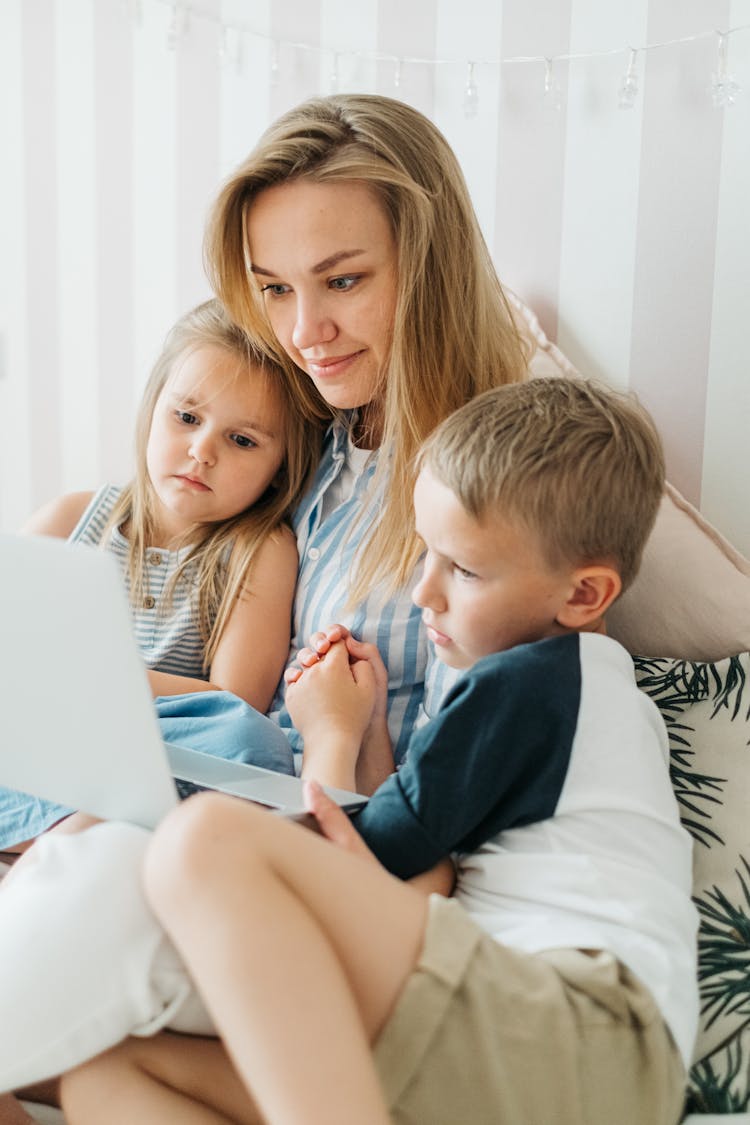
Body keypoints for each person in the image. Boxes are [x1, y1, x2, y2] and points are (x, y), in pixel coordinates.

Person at [0, 91, 530, 1117]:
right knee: (92, 1073)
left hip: (322, 856)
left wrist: (339, 759)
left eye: (342, 281)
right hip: (244, 823)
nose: (305, 332)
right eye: (276, 287)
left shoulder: (487, 475)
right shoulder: (330, 437)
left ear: (428, 270)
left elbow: (445, 777)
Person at [58, 378, 699, 1125]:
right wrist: (373, 738)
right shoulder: (581, 704)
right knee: (109, 1077)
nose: (424, 591)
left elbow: (362, 850)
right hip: (503, 1034)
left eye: (462, 568)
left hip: (579, 1027)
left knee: (206, 840)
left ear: (584, 595)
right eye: (426, 554)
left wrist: (330, 733)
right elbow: (408, 843)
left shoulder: (533, 684)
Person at [0, 298, 320, 854]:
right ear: (153, 410)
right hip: (54, 739)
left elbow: (232, 700)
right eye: (187, 418)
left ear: (280, 470)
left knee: (246, 741)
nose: (201, 451)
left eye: (241, 440)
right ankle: (59, 832)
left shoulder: (258, 549)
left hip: (155, 747)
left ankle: (66, 836)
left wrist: (101, 682)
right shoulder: (71, 519)